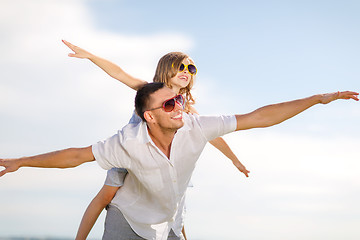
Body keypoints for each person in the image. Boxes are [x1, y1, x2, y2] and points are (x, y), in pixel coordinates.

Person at [0, 82, 358, 239]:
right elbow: (76, 156)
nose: (180, 107)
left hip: (165, 225)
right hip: (127, 222)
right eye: (169, 104)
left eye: (180, 100)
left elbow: (259, 117)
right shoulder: (127, 142)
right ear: (150, 117)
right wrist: (22, 162)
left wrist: (318, 99)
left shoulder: (197, 126)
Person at [61, 40, 249, 240]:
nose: (186, 71)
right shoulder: (150, 91)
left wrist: (234, 160)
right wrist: (91, 56)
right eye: (180, 67)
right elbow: (120, 73)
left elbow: (213, 135)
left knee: (173, 196)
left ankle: (177, 234)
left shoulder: (185, 109)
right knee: (105, 197)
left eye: (191, 68)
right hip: (130, 152)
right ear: (166, 70)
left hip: (158, 159)